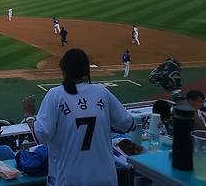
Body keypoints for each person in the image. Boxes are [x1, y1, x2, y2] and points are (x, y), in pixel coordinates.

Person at [27, 49, 134, 186]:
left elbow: (41, 135)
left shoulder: (55, 95)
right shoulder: (101, 91)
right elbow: (127, 123)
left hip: (69, 179)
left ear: (64, 70)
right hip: (105, 177)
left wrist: (29, 116)